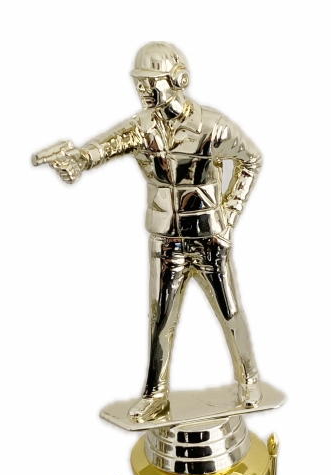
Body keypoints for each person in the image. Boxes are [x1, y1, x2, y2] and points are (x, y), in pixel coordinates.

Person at [41, 42, 263, 423]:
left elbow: (251, 160)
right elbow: (106, 146)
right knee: (160, 319)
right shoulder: (143, 128)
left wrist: (229, 212)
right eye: (138, 82)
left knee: (230, 312)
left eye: (150, 81)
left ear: (177, 79)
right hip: (165, 240)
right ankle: (155, 395)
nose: (142, 89)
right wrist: (78, 159)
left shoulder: (212, 125)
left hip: (209, 239)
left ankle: (250, 378)